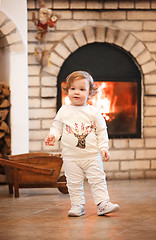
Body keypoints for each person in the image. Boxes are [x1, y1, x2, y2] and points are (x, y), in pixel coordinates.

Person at [45, 71, 120, 217]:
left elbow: (101, 131)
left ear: (90, 93)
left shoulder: (93, 111)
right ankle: (77, 205)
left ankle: (102, 204)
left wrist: (103, 147)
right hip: (70, 157)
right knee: (73, 183)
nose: (76, 92)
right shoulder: (64, 111)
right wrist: (52, 135)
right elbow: (57, 126)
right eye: (73, 89)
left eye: (81, 89)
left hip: (92, 155)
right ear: (67, 91)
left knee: (98, 179)